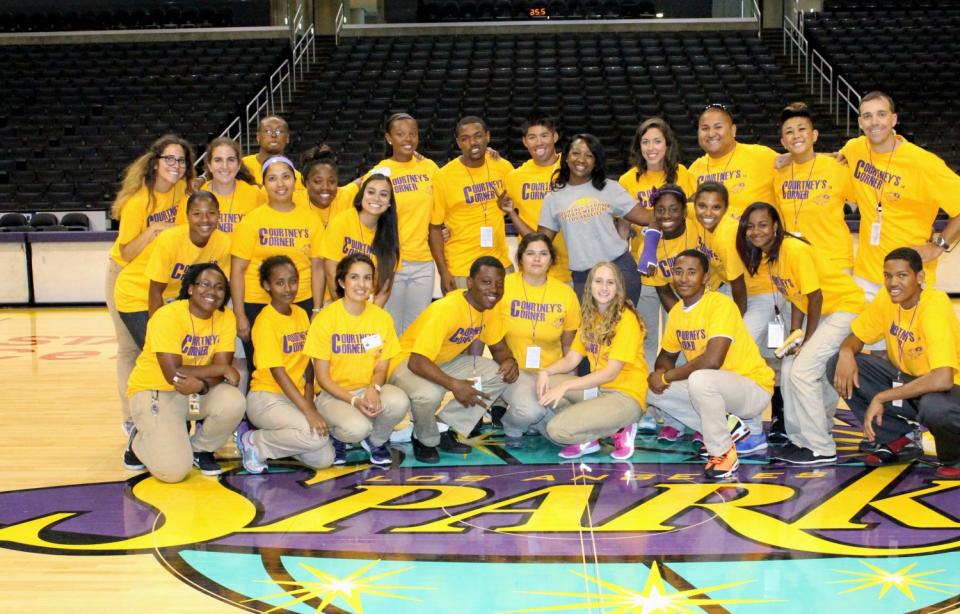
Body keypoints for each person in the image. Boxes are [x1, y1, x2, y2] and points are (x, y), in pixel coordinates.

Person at [737, 203, 865, 464]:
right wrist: (796, 333)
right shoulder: (768, 256)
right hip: (821, 311)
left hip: (844, 307)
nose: (756, 231)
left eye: (762, 224)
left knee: (803, 370)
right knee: (788, 367)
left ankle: (821, 447)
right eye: (750, 226)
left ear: (775, 226)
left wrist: (807, 341)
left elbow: (814, 297)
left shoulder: (793, 250)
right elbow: (796, 297)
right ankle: (799, 440)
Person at [828, 247, 960, 478]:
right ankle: (898, 438)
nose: (892, 283)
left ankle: (955, 457)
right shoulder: (887, 299)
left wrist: (882, 397)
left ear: (920, 278)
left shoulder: (935, 305)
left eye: (902, 275)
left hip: (950, 391)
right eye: (888, 276)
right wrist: (846, 352)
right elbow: (856, 337)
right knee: (837, 366)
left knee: (935, 407)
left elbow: (943, 378)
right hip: (911, 384)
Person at [646, 250, 774, 480]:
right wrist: (659, 373)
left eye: (692, 272)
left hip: (752, 388)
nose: (684, 278)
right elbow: (666, 356)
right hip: (715, 388)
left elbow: (713, 360)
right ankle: (731, 428)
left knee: (700, 378)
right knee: (644, 386)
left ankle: (723, 453)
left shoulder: (720, 304)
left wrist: (666, 377)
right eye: (679, 272)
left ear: (705, 278)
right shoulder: (677, 312)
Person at [389, 256, 519, 463]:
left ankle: (440, 427)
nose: (493, 289)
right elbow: (417, 361)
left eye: (499, 284)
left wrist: (510, 361)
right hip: (407, 362)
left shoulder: (489, 309)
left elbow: (499, 348)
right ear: (469, 282)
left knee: (498, 375)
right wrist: (454, 385)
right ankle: (424, 439)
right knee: (428, 394)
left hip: (441, 362)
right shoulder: (446, 309)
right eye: (486, 282)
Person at [124, 263, 245, 482]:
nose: (212, 291)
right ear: (190, 288)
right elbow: (173, 373)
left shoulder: (226, 318)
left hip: (195, 391)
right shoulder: (167, 316)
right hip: (155, 392)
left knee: (233, 401)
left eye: (219, 287)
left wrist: (204, 385)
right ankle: (139, 440)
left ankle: (199, 449)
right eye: (205, 284)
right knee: (173, 472)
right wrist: (220, 369)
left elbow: (222, 372)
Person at [106, 134, 195, 433]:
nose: (176, 165)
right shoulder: (138, 201)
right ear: (155, 164)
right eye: (169, 159)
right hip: (125, 276)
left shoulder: (182, 190)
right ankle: (131, 418)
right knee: (130, 351)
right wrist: (154, 229)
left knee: (157, 348)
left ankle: (161, 414)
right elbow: (126, 252)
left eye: (181, 160)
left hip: (160, 278)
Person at [840, 91, 960, 302]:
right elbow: (828, 160)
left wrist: (937, 246)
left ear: (894, 119)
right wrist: (789, 157)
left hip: (908, 276)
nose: (874, 122)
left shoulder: (923, 164)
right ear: (860, 122)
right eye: (867, 116)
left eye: (881, 114)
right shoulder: (854, 149)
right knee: (863, 334)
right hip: (866, 276)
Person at [537, 261, 649, 460]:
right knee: (545, 386)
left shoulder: (626, 319)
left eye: (610, 282)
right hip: (599, 390)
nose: (604, 288)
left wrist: (567, 386)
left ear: (618, 288)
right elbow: (572, 358)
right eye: (598, 281)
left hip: (624, 396)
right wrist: (545, 372)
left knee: (557, 430)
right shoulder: (591, 316)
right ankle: (590, 432)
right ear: (589, 285)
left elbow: (610, 373)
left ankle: (620, 428)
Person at [306, 254, 410, 465]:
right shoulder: (325, 320)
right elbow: (323, 378)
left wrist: (374, 389)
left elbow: (382, 366)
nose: (361, 284)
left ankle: (375, 440)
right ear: (342, 282)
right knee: (356, 428)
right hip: (333, 394)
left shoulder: (381, 318)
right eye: (354, 277)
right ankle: (339, 435)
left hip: (366, 388)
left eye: (367, 278)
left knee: (399, 402)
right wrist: (354, 401)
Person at [236, 255, 333, 473]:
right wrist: (308, 411)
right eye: (279, 283)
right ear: (266, 286)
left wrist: (309, 400)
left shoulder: (300, 313)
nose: (288, 288)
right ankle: (255, 441)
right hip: (267, 397)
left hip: (294, 397)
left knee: (324, 458)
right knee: (314, 436)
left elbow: (308, 363)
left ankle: (283, 441)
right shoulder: (265, 321)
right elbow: (278, 373)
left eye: (293, 281)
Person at [530, 134, 652, 301]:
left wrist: (674, 203)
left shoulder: (610, 188)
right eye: (576, 153)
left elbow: (645, 217)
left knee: (625, 326)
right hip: (584, 277)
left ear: (596, 162)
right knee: (590, 328)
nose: (582, 159)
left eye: (589, 155)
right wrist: (513, 214)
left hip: (619, 269)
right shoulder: (553, 199)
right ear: (566, 158)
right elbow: (540, 243)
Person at [230, 156, 324, 373]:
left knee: (301, 364)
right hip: (257, 301)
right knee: (261, 366)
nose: (280, 184)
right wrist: (239, 313)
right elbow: (237, 270)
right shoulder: (252, 220)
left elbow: (318, 267)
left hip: (300, 301)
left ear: (296, 180)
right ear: (264, 184)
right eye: (272, 178)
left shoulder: (311, 219)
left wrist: (317, 308)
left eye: (285, 177)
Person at [618, 117, 696, 367]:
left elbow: (693, 216)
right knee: (647, 335)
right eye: (645, 142)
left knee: (681, 334)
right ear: (638, 147)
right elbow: (623, 228)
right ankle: (649, 394)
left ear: (667, 144)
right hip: (647, 269)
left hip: (680, 268)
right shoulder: (628, 180)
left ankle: (680, 393)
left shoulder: (684, 174)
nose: (651, 148)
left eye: (657, 141)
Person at [114, 191, 229, 354]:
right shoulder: (170, 239)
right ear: (187, 216)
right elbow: (155, 290)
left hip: (173, 298)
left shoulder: (223, 242)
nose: (205, 220)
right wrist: (159, 331)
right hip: (136, 294)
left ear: (219, 216)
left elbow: (218, 289)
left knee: (181, 352)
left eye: (211, 213)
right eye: (197, 214)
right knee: (157, 352)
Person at [498, 233, 581, 446]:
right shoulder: (504, 286)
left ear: (551, 260)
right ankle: (513, 425)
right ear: (520, 258)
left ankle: (538, 420)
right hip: (516, 373)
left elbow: (568, 344)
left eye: (543, 254)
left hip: (551, 373)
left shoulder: (565, 293)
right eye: (530, 253)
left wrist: (570, 381)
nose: (537, 259)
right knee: (531, 410)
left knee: (567, 425)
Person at [363, 113, 440, 334]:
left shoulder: (429, 168)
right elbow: (360, 205)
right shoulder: (381, 171)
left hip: (423, 262)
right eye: (400, 134)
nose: (408, 139)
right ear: (389, 138)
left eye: (413, 133)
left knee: (416, 330)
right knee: (390, 328)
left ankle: (409, 370)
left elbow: (453, 183)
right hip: (391, 260)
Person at [429, 116, 515, 293]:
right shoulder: (444, 176)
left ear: (488, 137)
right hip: (462, 268)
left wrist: (505, 207)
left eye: (478, 136)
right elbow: (435, 228)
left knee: (503, 320)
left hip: (500, 264)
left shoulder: (503, 168)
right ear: (458, 143)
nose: (473, 142)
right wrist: (443, 271)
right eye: (465, 138)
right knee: (464, 321)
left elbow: (516, 207)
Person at [773, 102, 855, 273]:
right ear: (783, 142)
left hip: (834, 262)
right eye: (789, 132)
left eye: (801, 129)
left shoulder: (837, 167)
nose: (796, 135)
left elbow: (868, 200)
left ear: (814, 135)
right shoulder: (777, 173)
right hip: (796, 263)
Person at [501, 113, 571, 284]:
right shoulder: (515, 177)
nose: (539, 142)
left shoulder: (572, 168)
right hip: (533, 270)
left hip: (572, 269)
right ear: (525, 142)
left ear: (555, 137)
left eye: (544, 135)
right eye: (532, 137)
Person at [320, 173, 400, 308]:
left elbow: (386, 286)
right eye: (371, 192)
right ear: (362, 195)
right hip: (336, 303)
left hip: (369, 306)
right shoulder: (342, 221)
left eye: (383, 194)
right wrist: (347, 311)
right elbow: (331, 272)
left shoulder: (390, 234)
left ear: (389, 203)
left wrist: (370, 314)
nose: (376, 198)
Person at [176, 137, 263, 234]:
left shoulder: (256, 195)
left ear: (238, 165)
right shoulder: (192, 197)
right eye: (218, 160)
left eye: (231, 160)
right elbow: (182, 238)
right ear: (209, 165)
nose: (225, 166)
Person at [691, 182, 748, 312]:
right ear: (694, 206)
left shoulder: (726, 237)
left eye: (716, 207)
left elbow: (738, 284)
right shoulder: (693, 213)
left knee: (735, 329)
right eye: (702, 206)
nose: (708, 213)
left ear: (726, 208)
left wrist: (736, 321)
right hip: (726, 284)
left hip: (754, 287)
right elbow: (664, 210)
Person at [242, 115, 303, 188]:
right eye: (268, 131)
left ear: (287, 138)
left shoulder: (296, 177)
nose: (274, 135)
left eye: (279, 131)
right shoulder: (242, 166)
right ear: (258, 137)